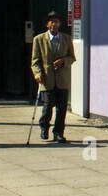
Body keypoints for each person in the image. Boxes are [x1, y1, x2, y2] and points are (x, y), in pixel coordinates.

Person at [31, 10, 76, 143]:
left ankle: (58, 133)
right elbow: (35, 60)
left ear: (59, 23)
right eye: (51, 22)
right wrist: (37, 73)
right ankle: (44, 127)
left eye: (56, 21)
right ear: (47, 24)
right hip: (47, 79)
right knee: (48, 106)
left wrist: (63, 61)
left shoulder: (66, 39)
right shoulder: (39, 39)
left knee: (62, 108)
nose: (54, 24)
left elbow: (72, 57)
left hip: (62, 79)